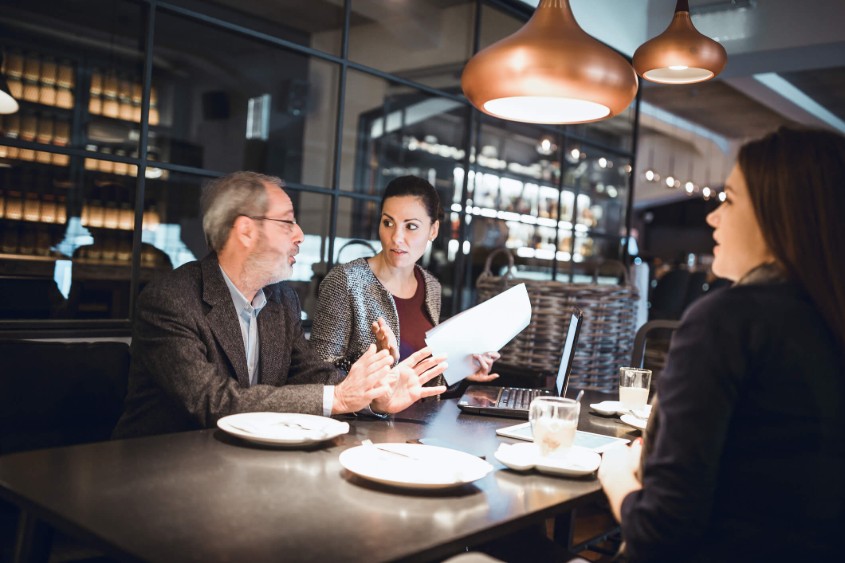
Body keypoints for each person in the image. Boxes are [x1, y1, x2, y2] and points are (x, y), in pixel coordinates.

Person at [597, 127, 845, 561]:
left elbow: (660, 535)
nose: (713, 217)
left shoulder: (727, 320)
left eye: (728, 199)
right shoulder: (826, 316)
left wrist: (615, 472)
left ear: (780, 214)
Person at [113, 172, 446, 439]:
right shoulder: (170, 301)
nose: (300, 234)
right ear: (245, 231)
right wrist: (340, 397)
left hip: (247, 467)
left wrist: (374, 393)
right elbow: (213, 403)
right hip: (160, 471)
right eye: (288, 223)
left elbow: (311, 373)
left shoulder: (280, 299)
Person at [309, 175, 499, 388]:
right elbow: (319, 376)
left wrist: (461, 370)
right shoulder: (345, 282)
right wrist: (378, 375)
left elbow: (417, 377)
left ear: (433, 230)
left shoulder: (430, 286)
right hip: (364, 421)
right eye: (388, 223)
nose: (396, 237)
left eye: (411, 226)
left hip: (422, 420)